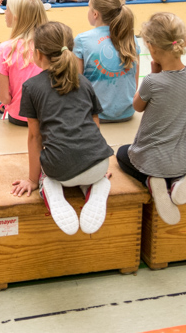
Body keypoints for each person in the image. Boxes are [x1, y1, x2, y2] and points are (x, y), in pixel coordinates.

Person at [11, 22, 114, 236]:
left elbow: (35, 137)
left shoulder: (31, 87)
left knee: (51, 170)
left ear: (38, 54)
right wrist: (98, 158)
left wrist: (32, 179)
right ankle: (97, 183)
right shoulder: (83, 81)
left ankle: (50, 187)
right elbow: (95, 123)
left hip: (60, 170)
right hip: (99, 163)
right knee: (84, 167)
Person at [116, 12, 186, 225]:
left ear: (151, 48)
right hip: (182, 157)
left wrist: (153, 75)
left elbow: (137, 107)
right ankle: (182, 177)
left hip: (150, 160)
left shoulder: (152, 82)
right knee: (180, 160)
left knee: (122, 153)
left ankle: (152, 180)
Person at [74, 0, 140, 123]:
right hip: (127, 112)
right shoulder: (131, 38)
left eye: (89, 7)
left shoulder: (82, 40)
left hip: (95, 116)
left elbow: (77, 83)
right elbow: (135, 82)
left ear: (95, 14)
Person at [0, 0, 47, 124]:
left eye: (7, 9)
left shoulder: (4, 49)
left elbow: (5, 98)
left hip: (19, 118)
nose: (4, 12)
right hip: (50, 117)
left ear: (16, 17)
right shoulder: (51, 46)